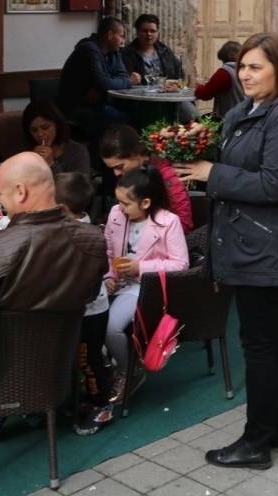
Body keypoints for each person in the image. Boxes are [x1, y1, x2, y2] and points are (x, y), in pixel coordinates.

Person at [178, 33, 278, 471]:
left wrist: (210, 171)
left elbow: (273, 185)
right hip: (248, 243)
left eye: (256, 66)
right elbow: (236, 159)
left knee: (258, 345)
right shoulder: (244, 112)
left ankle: (257, 443)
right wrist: (199, 144)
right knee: (270, 340)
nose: (246, 74)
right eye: (242, 66)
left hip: (267, 247)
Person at [0, 152, 108, 423]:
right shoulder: (94, 242)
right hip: (57, 375)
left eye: (0, 193)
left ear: (20, 191)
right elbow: (86, 296)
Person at [103, 164, 189, 402]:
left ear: (146, 203)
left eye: (126, 203)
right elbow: (108, 251)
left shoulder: (168, 222)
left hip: (145, 287)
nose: (120, 208)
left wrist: (141, 267)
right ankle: (101, 370)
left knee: (111, 328)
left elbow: (180, 264)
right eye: (118, 201)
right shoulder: (115, 214)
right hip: (117, 283)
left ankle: (128, 370)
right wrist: (109, 275)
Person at [54, 172, 114, 436]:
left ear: (60, 208)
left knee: (90, 359)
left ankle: (102, 405)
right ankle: (82, 400)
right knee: (78, 358)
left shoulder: (86, 236)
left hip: (91, 309)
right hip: (77, 307)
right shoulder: (73, 229)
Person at [98, 124, 194, 232]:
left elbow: (184, 223)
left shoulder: (167, 176)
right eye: (112, 168)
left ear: (137, 154)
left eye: (120, 167)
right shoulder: (129, 174)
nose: (116, 173)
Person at [57, 16, 139, 133]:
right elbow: (103, 83)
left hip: (100, 103)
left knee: (136, 112)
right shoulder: (88, 49)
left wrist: (103, 86)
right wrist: (128, 82)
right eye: (121, 36)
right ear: (110, 35)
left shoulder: (114, 51)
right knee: (129, 120)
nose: (123, 41)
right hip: (77, 108)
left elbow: (121, 76)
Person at [22, 99, 91, 176]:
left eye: (45, 127)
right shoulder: (27, 153)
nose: (40, 134)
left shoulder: (77, 152)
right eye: (34, 130)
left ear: (57, 125)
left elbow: (79, 187)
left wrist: (52, 164)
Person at [119, 13, 184, 84]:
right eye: (144, 31)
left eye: (153, 31)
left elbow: (178, 73)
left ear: (157, 32)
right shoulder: (127, 53)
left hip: (165, 92)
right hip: (139, 94)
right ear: (137, 32)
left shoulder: (165, 51)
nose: (149, 34)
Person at [194, 40, 245, 118]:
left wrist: (197, 87)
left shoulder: (224, 72)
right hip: (244, 114)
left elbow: (206, 94)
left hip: (229, 118)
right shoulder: (245, 69)